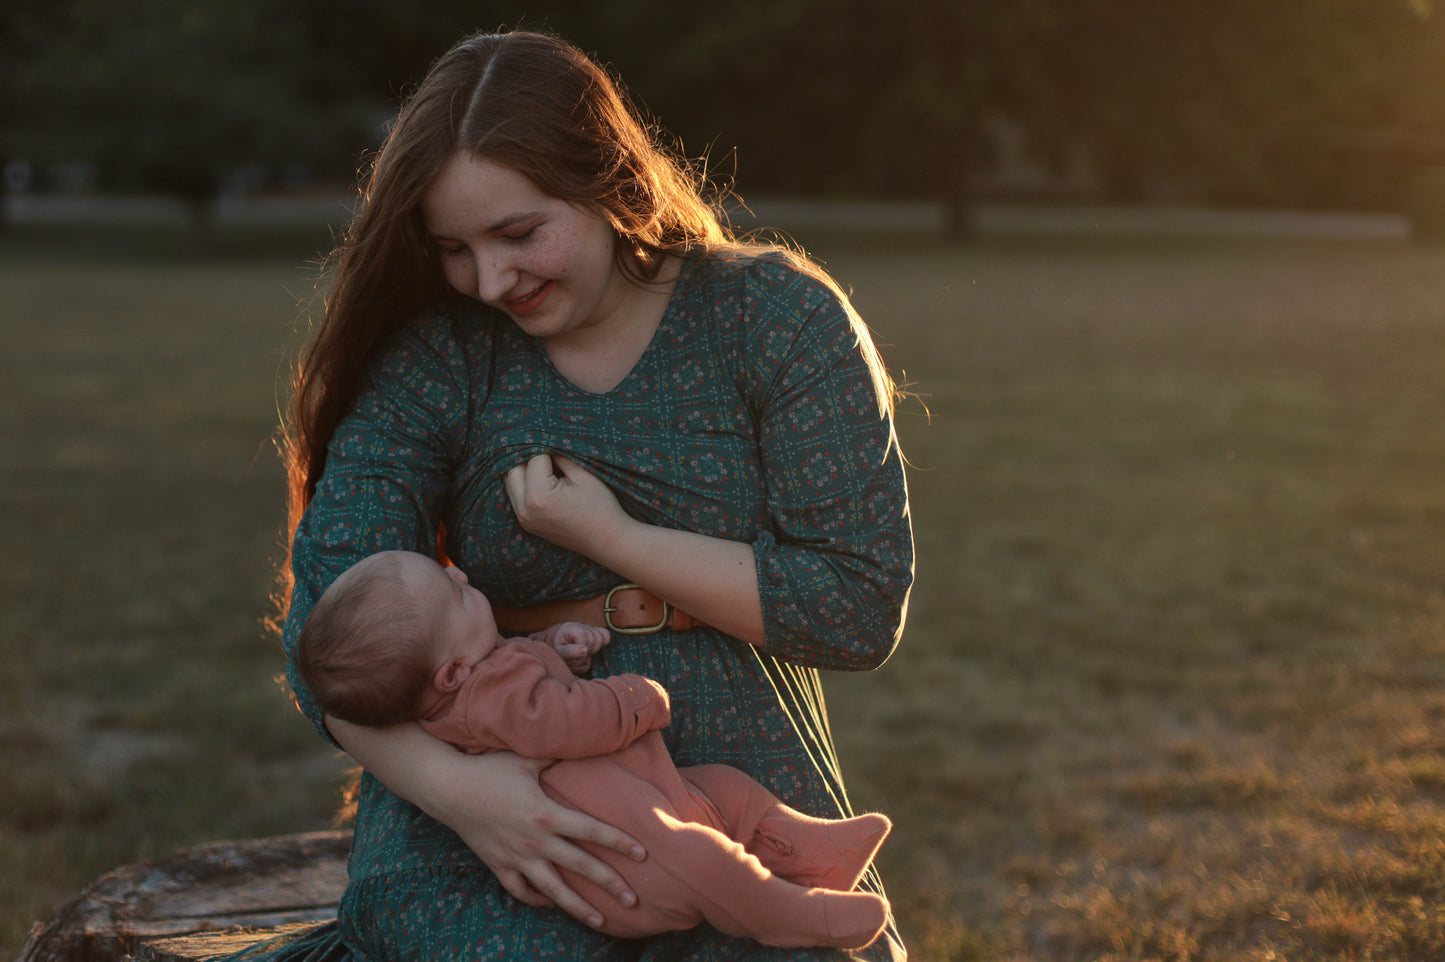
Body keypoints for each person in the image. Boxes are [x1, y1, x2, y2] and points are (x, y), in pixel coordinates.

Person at [236, 25, 914, 962]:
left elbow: (853, 607)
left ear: (612, 184)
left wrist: (611, 536)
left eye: (518, 233)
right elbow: (329, 625)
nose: (490, 279)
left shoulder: (775, 320)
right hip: (482, 777)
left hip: (728, 766)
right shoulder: (444, 356)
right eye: (454, 249)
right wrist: (471, 799)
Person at [295, 549, 893, 951]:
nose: (461, 578)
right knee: (708, 859)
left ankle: (815, 850)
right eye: (455, 596)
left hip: (644, 803)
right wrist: (636, 699)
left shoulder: (470, 687)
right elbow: (566, 721)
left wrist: (556, 649)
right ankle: (792, 917)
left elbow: (525, 686)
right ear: (451, 674)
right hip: (631, 858)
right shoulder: (492, 697)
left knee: (725, 792)